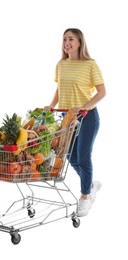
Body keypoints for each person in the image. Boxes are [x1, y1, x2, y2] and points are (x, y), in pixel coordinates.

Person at [44, 28, 106, 217]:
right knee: (71, 157)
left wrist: (84, 107)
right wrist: (51, 104)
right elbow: (60, 88)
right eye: (64, 39)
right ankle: (91, 184)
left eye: (71, 39)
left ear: (80, 42)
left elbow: (102, 92)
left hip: (87, 117)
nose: (66, 42)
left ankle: (85, 197)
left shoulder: (90, 65)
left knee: (84, 156)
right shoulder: (61, 64)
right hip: (67, 118)